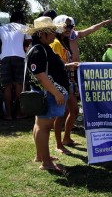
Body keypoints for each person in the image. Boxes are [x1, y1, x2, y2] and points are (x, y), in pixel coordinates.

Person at [51, 15, 112, 154]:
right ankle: (59, 144)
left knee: (74, 110)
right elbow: (55, 66)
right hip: (61, 80)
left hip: (70, 78)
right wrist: (69, 65)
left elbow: (89, 30)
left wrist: (102, 23)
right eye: (66, 26)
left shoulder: (67, 40)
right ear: (59, 26)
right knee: (61, 113)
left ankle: (66, 138)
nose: (69, 29)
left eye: (71, 26)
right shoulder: (55, 43)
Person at [25, 16, 78, 171]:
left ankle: (41, 156)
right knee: (44, 126)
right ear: (42, 33)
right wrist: (56, 93)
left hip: (45, 93)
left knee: (39, 125)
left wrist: (67, 66)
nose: (55, 34)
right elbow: (40, 75)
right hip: (47, 93)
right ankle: (46, 162)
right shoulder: (39, 50)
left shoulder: (40, 47)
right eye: (52, 31)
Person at [0, 11, 32, 120]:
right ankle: (19, 113)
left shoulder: (2, 28)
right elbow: (29, 42)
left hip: (4, 57)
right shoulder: (24, 27)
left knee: (7, 86)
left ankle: (8, 114)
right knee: (19, 85)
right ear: (21, 20)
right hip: (20, 57)